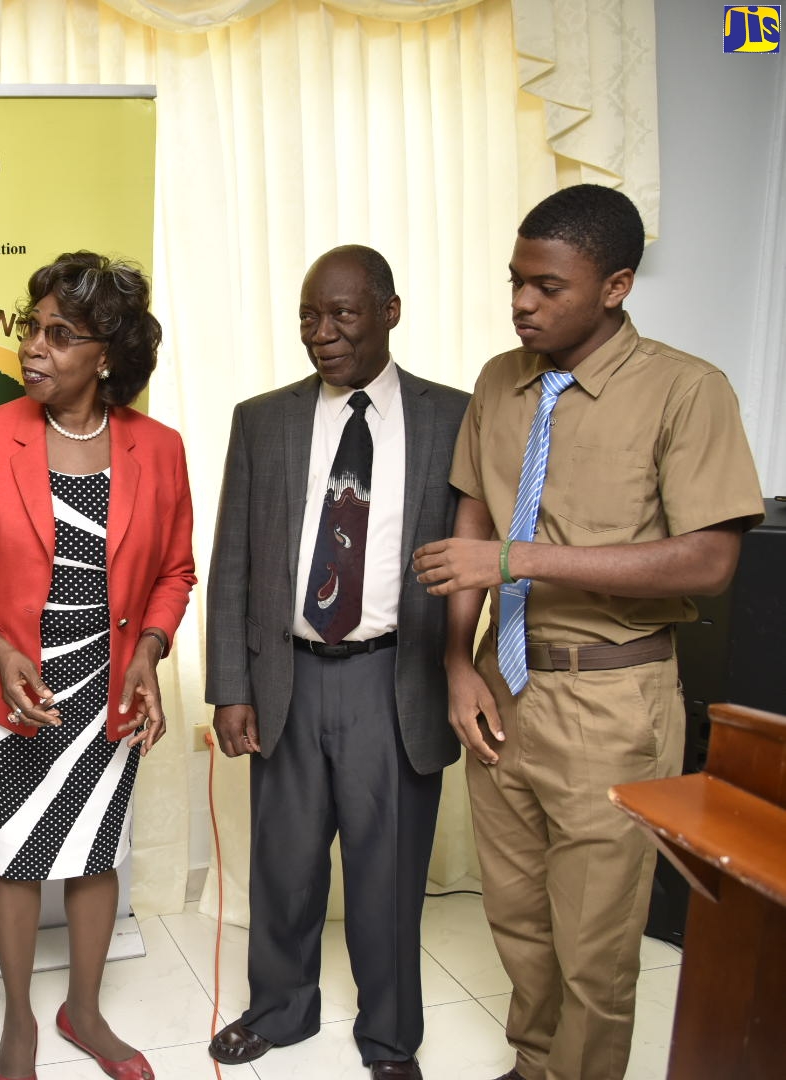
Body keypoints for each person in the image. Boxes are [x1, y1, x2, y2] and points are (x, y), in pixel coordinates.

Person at [411, 184, 764, 1080]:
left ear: (616, 286)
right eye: (515, 281)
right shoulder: (500, 379)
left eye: (548, 287)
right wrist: (458, 663)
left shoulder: (688, 390)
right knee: (518, 921)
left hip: (614, 701)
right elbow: (473, 518)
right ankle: (534, 1066)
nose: (523, 303)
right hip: (502, 689)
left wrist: (517, 560)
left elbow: (709, 561)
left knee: (595, 947)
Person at [0, 252, 196, 1080]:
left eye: (60, 334)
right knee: (14, 855)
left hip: (108, 686)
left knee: (97, 851)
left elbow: (175, 572)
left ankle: (85, 1010)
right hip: (13, 688)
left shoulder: (159, 448)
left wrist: (149, 651)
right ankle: (18, 1022)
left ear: (106, 355)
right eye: (31, 328)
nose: (34, 347)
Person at [205, 246, 468, 1080]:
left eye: (343, 315)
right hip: (286, 674)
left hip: (396, 676)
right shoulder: (263, 419)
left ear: (390, 312)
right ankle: (280, 1009)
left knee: (387, 872)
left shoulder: (454, 417)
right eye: (309, 317)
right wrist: (230, 688)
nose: (322, 333)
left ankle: (390, 1038)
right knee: (283, 862)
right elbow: (233, 560)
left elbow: (477, 553)